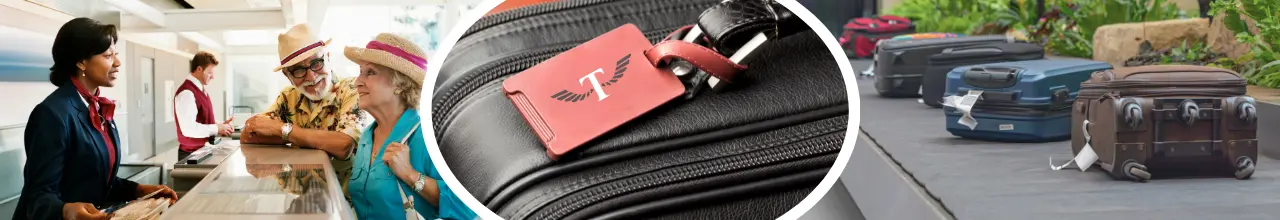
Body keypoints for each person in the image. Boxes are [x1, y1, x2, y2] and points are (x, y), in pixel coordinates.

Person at [15, 17, 177, 220]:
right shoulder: (52, 114)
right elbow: (37, 198)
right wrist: (67, 210)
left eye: (115, 54)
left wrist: (139, 190)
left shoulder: (98, 107)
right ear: (81, 61)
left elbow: (94, 179)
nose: (117, 63)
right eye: (108, 55)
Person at [345, 33, 477, 220]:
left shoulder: (430, 137)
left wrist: (411, 175)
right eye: (360, 72)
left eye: (370, 72)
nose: (357, 82)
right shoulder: (367, 136)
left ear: (399, 83)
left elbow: (469, 210)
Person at [240, 23, 367, 199]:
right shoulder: (287, 97)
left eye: (316, 63)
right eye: (299, 70)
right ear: (288, 76)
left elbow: (344, 145)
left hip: (347, 205)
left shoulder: (352, 90)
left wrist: (282, 130)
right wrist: (316, 140)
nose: (311, 77)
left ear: (328, 58)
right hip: (303, 203)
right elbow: (249, 134)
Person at [174, 51, 235, 160]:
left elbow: (200, 119)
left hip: (202, 151)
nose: (213, 77)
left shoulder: (200, 89)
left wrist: (220, 125)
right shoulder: (187, 93)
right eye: (210, 73)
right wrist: (216, 128)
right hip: (191, 156)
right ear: (199, 69)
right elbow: (188, 129)